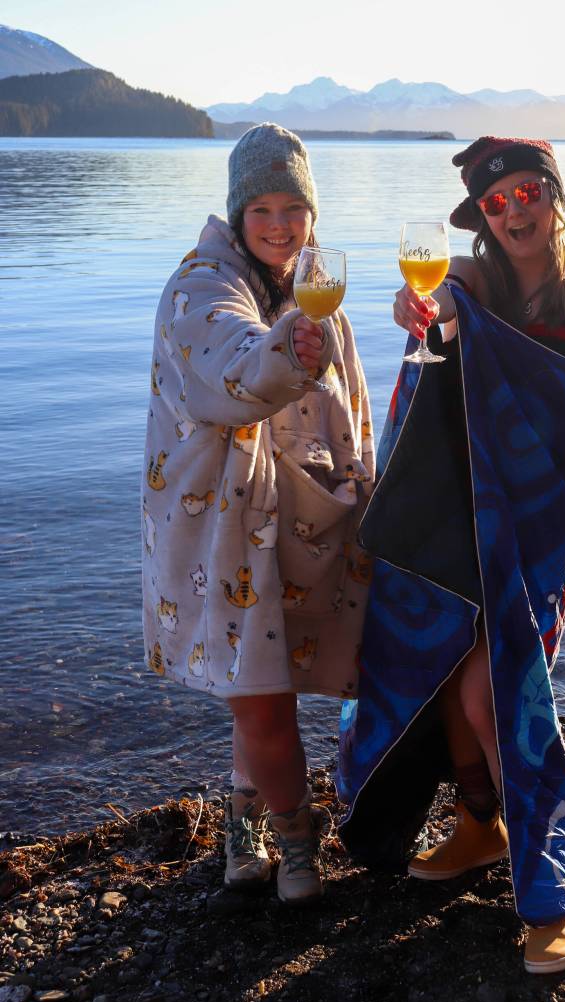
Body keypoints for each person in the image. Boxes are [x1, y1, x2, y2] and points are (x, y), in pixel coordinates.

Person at [338, 135, 565, 972]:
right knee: (439, 669)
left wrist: (543, 515)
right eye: (495, 203)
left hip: (539, 528)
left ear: (553, 195)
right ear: (481, 219)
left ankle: (555, 889)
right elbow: (433, 312)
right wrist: (414, 312)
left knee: (491, 689)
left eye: (526, 192)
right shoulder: (471, 281)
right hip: (454, 515)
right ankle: (479, 828)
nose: (513, 212)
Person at [142, 123, 374, 905]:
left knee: (266, 685)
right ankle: (298, 842)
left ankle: (243, 821)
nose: (279, 224)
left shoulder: (308, 285)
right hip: (219, 532)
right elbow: (234, 368)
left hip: (290, 515)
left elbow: (350, 407)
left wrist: (362, 489)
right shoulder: (199, 287)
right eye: (262, 209)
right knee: (263, 699)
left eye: (294, 208)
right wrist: (291, 349)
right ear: (237, 213)